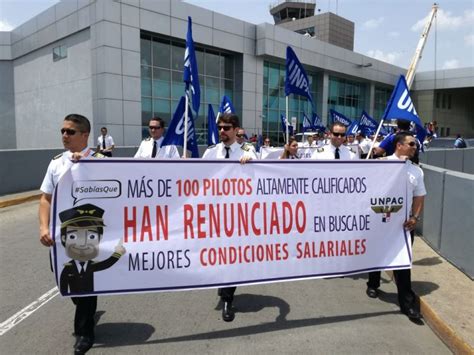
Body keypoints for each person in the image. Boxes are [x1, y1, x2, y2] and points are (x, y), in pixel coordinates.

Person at [39, 114, 106, 354]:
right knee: (64, 279)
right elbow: (46, 198)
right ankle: (85, 310)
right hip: (60, 236)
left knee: (84, 283)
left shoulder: (101, 161)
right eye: (63, 131)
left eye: (70, 132)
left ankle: (84, 334)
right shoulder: (56, 163)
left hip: (88, 235)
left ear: (85, 135)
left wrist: (86, 166)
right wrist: (43, 227)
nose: (64, 136)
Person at [202, 113, 257, 322]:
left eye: (226, 128)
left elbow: (259, 170)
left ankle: (227, 298)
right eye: (220, 128)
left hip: (236, 215)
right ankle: (222, 283)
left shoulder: (247, 150)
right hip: (214, 213)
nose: (222, 131)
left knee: (231, 256)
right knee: (217, 254)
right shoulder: (211, 152)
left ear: (236, 130)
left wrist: (251, 162)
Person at [366, 132, 426, 321]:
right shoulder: (380, 165)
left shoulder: (416, 171)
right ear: (399, 145)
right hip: (380, 220)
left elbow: (420, 196)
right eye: (411, 144)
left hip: (403, 225)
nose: (415, 147)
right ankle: (373, 284)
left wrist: (415, 217)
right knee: (377, 255)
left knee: (402, 263)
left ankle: (407, 304)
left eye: (415, 145)